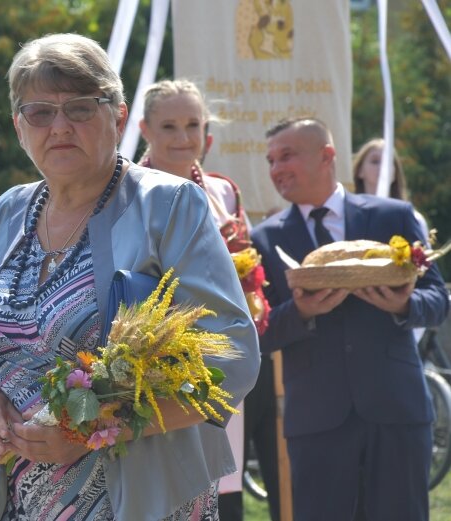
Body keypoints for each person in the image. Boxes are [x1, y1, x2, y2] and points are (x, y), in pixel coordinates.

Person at [0, 33, 260, 521]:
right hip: (21, 501)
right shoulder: (3, 215)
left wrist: (91, 425)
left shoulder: (168, 205)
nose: (59, 127)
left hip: (142, 499)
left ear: (117, 117)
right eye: (40, 112)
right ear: (19, 126)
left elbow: (235, 355)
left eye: (79, 108)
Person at [251, 117, 449, 521]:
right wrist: (301, 311)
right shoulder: (264, 239)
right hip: (316, 420)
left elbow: (438, 299)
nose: (276, 169)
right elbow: (258, 332)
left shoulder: (393, 216)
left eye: (287, 156)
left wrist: (402, 306)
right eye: (271, 160)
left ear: (327, 156)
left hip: (396, 411)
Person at [138, 78, 277, 521]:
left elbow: (247, 269)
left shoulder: (223, 191)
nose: (182, 138)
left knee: (224, 488)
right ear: (144, 130)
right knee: (172, 485)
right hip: (161, 363)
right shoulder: (127, 192)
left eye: (192, 125)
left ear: (207, 132)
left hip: (225, 359)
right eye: (169, 127)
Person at [353, 137, 430, 240]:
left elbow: (422, 254)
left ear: (394, 173)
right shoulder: (348, 219)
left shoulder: (415, 219)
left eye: (387, 162)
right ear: (360, 171)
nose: (382, 167)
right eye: (375, 161)